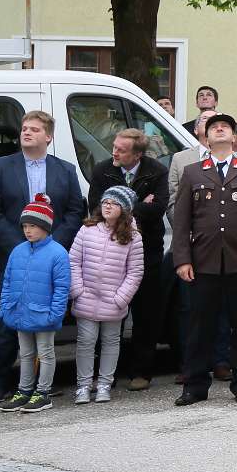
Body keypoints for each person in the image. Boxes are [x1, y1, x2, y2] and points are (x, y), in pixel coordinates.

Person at [0, 110, 86, 403]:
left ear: (48, 137)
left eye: (35, 129)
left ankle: (41, 385)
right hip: (8, 256)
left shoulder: (64, 169)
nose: (27, 133)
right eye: (25, 128)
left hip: (50, 260)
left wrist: (52, 246)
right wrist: (20, 247)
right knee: (7, 321)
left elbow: (76, 210)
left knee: (44, 322)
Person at [172, 113, 237, 406]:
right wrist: (182, 259)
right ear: (205, 136)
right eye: (214, 126)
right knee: (199, 327)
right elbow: (181, 222)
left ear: (235, 137)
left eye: (225, 127)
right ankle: (194, 385)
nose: (219, 129)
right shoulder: (192, 172)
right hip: (203, 262)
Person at [87, 128, 168, 391]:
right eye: (114, 146)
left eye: (121, 149)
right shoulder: (102, 170)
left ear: (138, 154)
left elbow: (157, 209)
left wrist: (119, 207)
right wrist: (135, 205)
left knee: (146, 315)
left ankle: (141, 371)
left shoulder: (156, 170)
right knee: (110, 312)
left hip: (147, 252)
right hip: (110, 251)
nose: (114, 152)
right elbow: (98, 209)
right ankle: (107, 373)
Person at [70, 185, 145, 404]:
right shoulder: (87, 230)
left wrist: (120, 298)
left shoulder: (133, 237)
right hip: (86, 297)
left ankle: (104, 383)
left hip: (113, 301)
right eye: (105, 202)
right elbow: (73, 261)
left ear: (124, 209)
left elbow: (135, 271)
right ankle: (83, 385)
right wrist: (78, 291)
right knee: (85, 340)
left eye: (113, 203)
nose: (107, 206)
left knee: (111, 341)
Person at [0, 196, 71, 414]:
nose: (28, 231)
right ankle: (24, 390)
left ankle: (43, 392)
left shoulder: (57, 253)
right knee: (26, 353)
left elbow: (61, 288)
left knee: (46, 353)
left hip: (44, 314)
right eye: (25, 226)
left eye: (33, 226)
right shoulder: (18, 251)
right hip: (20, 312)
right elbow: (8, 281)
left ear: (45, 227)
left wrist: (55, 314)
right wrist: (5, 307)